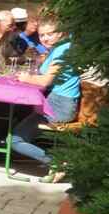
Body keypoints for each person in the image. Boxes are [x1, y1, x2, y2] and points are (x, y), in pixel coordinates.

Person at [12, 14, 80, 182]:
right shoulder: (62, 47)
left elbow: (45, 80)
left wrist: (24, 78)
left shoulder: (63, 49)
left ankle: (57, 163)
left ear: (61, 32)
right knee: (16, 130)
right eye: (42, 35)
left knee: (14, 140)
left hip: (59, 106)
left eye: (50, 33)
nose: (45, 38)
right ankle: (57, 163)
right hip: (58, 102)